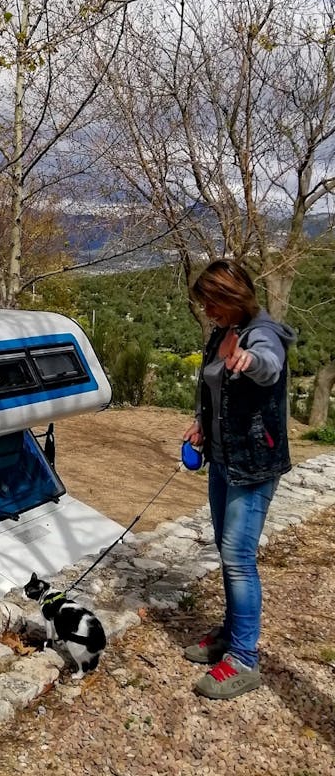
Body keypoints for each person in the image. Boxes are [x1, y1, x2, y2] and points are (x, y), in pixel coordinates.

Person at [182, 259, 295, 700]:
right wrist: (201, 424)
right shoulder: (221, 332)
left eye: (213, 302)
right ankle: (231, 634)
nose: (207, 310)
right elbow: (214, 390)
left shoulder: (263, 334)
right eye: (205, 304)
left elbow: (268, 365)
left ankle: (245, 658)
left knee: (238, 556)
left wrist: (250, 360)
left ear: (234, 297)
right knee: (227, 552)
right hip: (223, 460)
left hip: (254, 464)